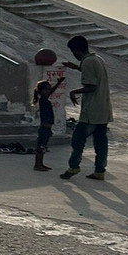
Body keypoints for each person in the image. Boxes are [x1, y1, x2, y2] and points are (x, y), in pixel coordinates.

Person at [60, 35, 113, 181]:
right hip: (103, 109)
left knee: (78, 140)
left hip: (92, 110)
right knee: (100, 141)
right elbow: (93, 74)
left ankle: (73, 167)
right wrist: (77, 67)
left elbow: (91, 86)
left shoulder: (88, 62)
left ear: (76, 50)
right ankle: (99, 171)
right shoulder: (96, 59)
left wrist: (73, 92)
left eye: (72, 51)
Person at [32, 76, 66, 171]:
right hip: (44, 128)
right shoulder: (42, 100)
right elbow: (51, 93)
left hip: (47, 128)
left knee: (43, 147)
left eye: (48, 89)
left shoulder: (45, 100)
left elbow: (51, 92)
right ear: (41, 91)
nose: (48, 91)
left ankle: (40, 164)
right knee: (41, 146)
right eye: (46, 89)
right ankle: (37, 165)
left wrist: (58, 83)